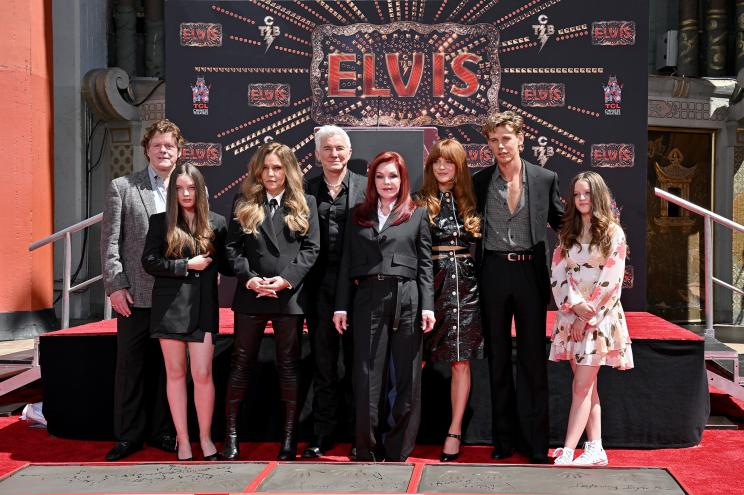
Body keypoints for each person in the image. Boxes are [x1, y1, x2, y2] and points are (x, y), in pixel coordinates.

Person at [472, 111, 564, 464]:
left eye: (505, 138)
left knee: (532, 362)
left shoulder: (544, 178)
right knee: (497, 360)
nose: (499, 146)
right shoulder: (480, 182)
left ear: (520, 139)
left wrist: (599, 237)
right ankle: (503, 440)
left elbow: (562, 224)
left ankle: (536, 443)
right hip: (493, 272)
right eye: (493, 140)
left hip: (530, 274)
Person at [333, 151, 435, 462]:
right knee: (366, 375)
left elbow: (425, 265)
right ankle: (366, 447)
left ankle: (398, 448)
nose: (386, 182)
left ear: (402, 179)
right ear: (372, 181)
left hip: (407, 297)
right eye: (380, 176)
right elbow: (346, 262)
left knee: (407, 377)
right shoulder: (357, 214)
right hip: (368, 297)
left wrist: (427, 306)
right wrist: (341, 307)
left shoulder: (416, 213)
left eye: (392, 176)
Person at [223, 142, 320, 461]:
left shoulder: (305, 203)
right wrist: (250, 279)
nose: (270, 173)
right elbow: (232, 249)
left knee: (289, 367)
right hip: (251, 297)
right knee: (240, 366)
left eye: (277, 167)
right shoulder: (244, 201)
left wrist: (285, 280)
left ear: (288, 170)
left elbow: (311, 250)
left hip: (288, 298)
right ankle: (232, 438)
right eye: (265, 168)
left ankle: (289, 440)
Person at [101, 119, 184, 461]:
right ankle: (129, 436)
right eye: (157, 146)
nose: (163, 151)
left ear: (179, 152)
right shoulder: (123, 187)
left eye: (169, 146)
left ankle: (163, 431)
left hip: (177, 295)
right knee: (131, 368)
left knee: (171, 371)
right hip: (134, 295)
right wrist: (116, 286)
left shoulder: (189, 187)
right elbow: (110, 241)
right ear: (146, 150)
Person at [141, 164, 230, 461]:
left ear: (201, 190)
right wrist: (185, 266)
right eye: (179, 189)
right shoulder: (159, 222)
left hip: (204, 307)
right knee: (176, 374)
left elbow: (229, 263)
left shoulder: (217, 223)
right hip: (170, 308)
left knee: (203, 374)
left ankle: (205, 439)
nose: (185, 194)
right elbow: (149, 262)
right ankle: (182, 440)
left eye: (191, 188)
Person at [549, 171, 633, 466]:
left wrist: (588, 315)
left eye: (586, 194)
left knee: (582, 387)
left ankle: (569, 449)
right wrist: (572, 311)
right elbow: (559, 274)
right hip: (571, 319)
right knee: (589, 386)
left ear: (598, 196)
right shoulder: (567, 233)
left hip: (600, 320)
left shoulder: (613, 233)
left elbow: (612, 280)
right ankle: (595, 448)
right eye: (576, 194)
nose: (581, 199)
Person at [416, 139, 483, 462]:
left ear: (459, 166)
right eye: (437, 162)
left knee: (460, 360)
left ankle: (454, 430)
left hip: (465, 286)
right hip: (428, 282)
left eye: (449, 162)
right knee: (416, 358)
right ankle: (406, 426)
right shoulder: (418, 201)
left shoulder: (472, 200)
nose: (442, 168)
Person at [302, 126, 366, 458]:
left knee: (358, 365)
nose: (334, 154)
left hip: (356, 287)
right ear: (317, 154)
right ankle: (323, 433)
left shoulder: (366, 189)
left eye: (340, 148)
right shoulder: (305, 190)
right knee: (324, 364)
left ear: (350, 152)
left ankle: (359, 435)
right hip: (318, 288)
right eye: (327, 149)